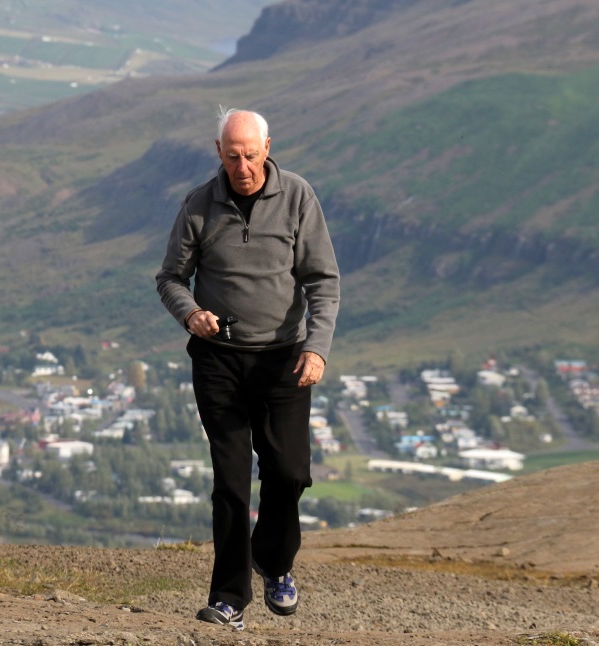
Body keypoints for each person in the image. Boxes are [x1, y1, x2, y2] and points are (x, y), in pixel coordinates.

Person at [155, 108, 340, 630]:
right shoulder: (198, 204)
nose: (242, 166)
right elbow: (170, 277)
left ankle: (275, 562)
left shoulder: (298, 196)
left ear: (267, 148)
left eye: (251, 155)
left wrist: (317, 348)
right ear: (219, 151)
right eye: (232, 156)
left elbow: (322, 280)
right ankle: (229, 596)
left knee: (289, 473)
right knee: (231, 482)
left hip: (284, 359)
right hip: (219, 362)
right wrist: (191, 313)